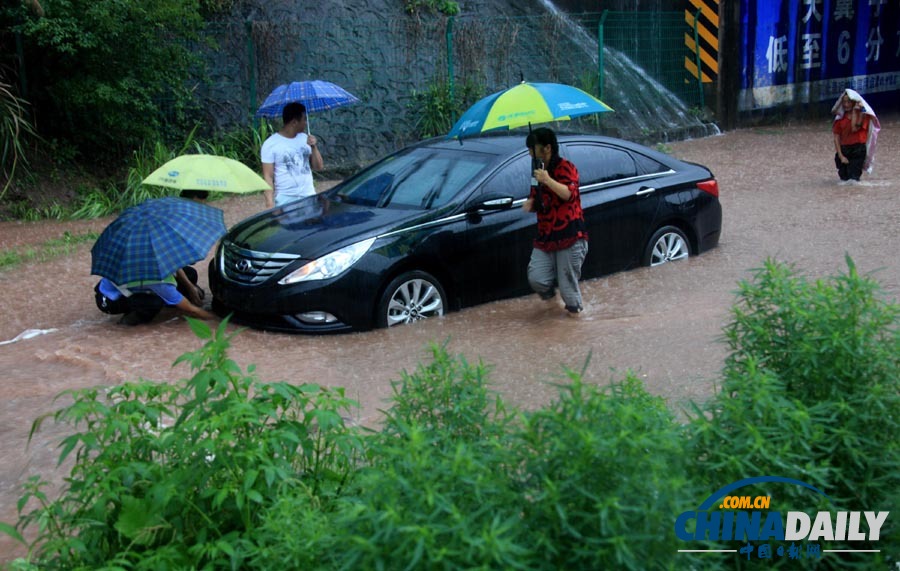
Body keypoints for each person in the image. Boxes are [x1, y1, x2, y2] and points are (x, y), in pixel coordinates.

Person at [522, 127, 589, 317]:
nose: (530, 153)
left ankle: (574, 323)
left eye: (533, 149)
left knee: (568, 288)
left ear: (547, 148)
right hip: (546, 237)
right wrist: (531, 204)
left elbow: (568, 194)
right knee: (537, 278)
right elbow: (538, 199)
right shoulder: (537, 171)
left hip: (570, 235)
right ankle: (553, 310)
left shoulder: (566, 167)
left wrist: (548, 180)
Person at [94, 269, 216, 325]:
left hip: (132, 282)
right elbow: (190, 309)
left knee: (190, 273)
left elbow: (177, 266)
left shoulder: (160, 255)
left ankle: (169, 300)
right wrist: (216, 320)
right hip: (108, 298)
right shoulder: (157, 281)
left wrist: (191, 288)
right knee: (154, 303)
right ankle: (127, 322)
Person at [260, 102, 324, 209]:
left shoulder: (305, 139)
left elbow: (319, 167)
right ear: (294, 122)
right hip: (285, 199)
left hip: (308, 195)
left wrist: (314, 147)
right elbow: (268, 176)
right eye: (304, 119)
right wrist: (270, 204)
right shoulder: (270, 144)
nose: (305, 123)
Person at [831, 88, 880, 184]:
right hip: (844, 150)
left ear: (854, 102)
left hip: (858, 150)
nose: (846, 104)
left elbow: (855, 128)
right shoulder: (840, 119)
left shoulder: (864, 116)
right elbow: (836, 138)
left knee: (854, 180)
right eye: (844, 102)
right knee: (844, 179)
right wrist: (841, 156)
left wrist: (857, 112)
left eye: (849, 102)